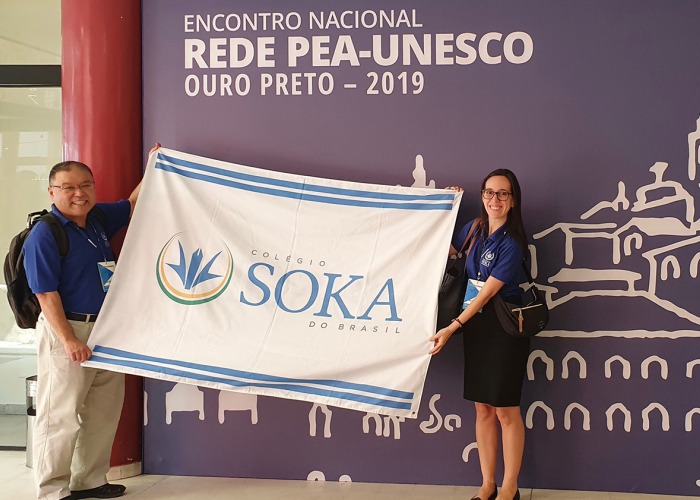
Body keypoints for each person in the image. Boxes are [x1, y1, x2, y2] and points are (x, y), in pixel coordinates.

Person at [24, 146, 158, 500]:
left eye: (85, 185)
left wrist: (153, 165)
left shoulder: (97, 219)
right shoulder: (46, 233)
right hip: (67, 330)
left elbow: (131, 204)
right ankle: (53, 490)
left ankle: (90, 481)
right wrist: (68, 340)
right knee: (60, 415)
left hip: (106, 330)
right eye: (68, 187)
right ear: (52, 192)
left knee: (102, 411)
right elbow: (45, 294)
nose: (78, 193)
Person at [430, 169, 530, 500]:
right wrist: (445, 205)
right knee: (482, 409)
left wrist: (453, 325)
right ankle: (487, 485)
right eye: (489, 192)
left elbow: (487, 293)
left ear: (513, 200)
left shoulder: (513, 243)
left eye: (503, 194)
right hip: (476, 327)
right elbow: (446, 250)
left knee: (506, 410)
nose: (495, 199)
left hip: (503, 329)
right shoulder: (474, 229)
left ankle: (509, 488)